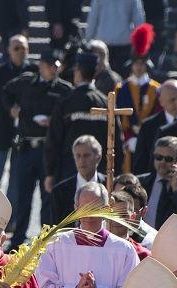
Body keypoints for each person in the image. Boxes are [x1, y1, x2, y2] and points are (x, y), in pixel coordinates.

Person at [3, 49, 72, 244]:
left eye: (56, 67)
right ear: (42, 66)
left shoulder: (63, 89)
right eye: (50, 66)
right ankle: (18, 237)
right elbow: (6, 91)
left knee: (47, 196)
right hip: (26, 147)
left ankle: (45, 238)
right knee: (23, 195)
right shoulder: (26, 83)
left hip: (48, 149)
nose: (53, 70)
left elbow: (69, 112)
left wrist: (55, 121)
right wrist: (12, 109)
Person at [44, 52, 124, 189]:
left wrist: (50, 173)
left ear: (78, 72)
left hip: (70, 168)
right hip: (100, 169)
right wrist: (116, 172)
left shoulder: (65, 103)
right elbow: (116, 140)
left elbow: (54, 140)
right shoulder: (106, 103)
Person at [0, 36, 36, 193]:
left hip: (25, 132)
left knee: (17, 177)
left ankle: (12, 215)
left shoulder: (34, 71)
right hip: (1, 131)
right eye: (16, 48)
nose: (20, 52)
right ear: (9, 50)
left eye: (23, 48)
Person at [114, 24, 160, 175]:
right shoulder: (121, 89)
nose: (139, 67)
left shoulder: (156, 89)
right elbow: (117, 119)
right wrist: (128, 136)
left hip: (149, 139)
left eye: (142, 63)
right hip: (126, 141)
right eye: (136, 63)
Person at [138, 136, 177, 228]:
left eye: (168, 159)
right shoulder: (141, 182)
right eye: (158, 157)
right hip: (144, 239)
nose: (162, 162)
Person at [50, 135, 107, 228]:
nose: (82, 160)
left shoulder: (110, 185)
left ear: (98, 157)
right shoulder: (59, 191)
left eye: (86, 155)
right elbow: (54, 229)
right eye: (78, 156)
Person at [85, 0, 147, 75]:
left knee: (102, 74)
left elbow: (93, 18)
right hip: (124, 43)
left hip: (103, 44)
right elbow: (139, 20)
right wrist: (140, 44)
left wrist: (88, 38)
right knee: (122, 75)